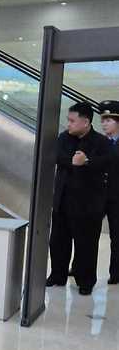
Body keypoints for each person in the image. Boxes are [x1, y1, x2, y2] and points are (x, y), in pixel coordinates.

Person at [47, 102, 110, 296]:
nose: (69, 124)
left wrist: (87, 162)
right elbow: (59, 156)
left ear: (86, 122)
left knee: (86, 246)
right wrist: (77, 162)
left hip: (88, 206)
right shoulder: (64, 138)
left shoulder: (101, 142)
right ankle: (58, 275)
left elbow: (106, 163)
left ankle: (85, 281)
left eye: (72, 121)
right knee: (58, 242)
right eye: (68, 120)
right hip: (63, 202)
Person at [99, 100, 119, 284]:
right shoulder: (98, 142)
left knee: (117, 237)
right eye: (103, 119)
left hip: (117, 198)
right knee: (86, 234)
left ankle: (116, 273)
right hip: (97, 197)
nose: (104, 123)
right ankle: (80, 268)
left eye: (109, 119)